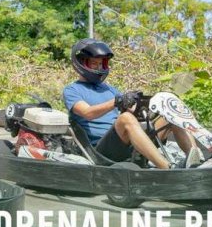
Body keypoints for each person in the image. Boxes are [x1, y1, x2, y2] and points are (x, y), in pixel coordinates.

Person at [62, 39, 201, 169]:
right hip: (102, 150)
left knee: (168, 115)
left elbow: (129, 111)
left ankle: (194, 160)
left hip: (128, 141)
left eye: (101, 64)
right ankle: (167, 168)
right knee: (125, 119)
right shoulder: (72, 90)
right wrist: (116, 101)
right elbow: (87, 113)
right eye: (94, 63)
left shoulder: (110, 89)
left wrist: (140, 104)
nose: (99, 67)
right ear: (81, 62)